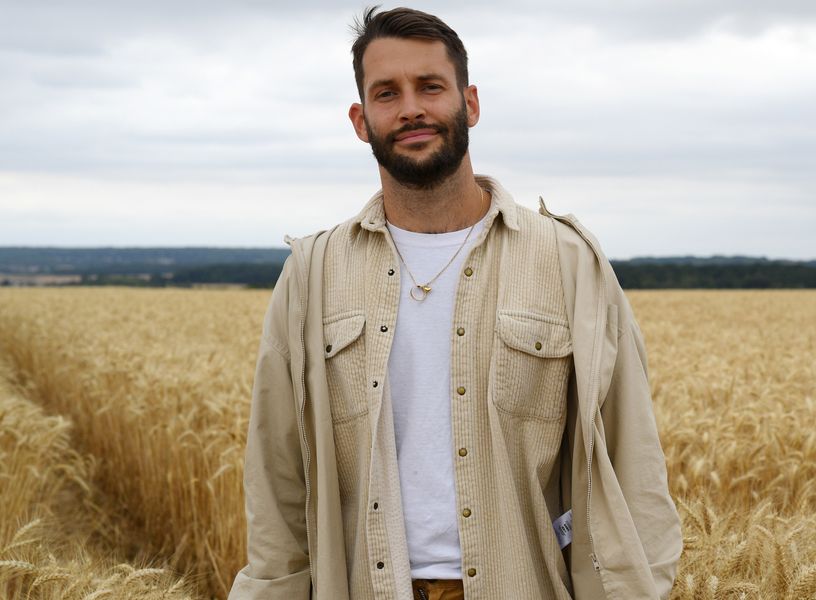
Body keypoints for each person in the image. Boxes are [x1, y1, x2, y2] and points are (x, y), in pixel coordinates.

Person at [229, 6, 681, 599]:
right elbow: (277, 477)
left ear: (469, 103)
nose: (412, 108)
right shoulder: (314, 274)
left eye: (430, 86)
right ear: (361, 120)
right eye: (387, 93)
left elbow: (632, 461)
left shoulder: (569, 264)